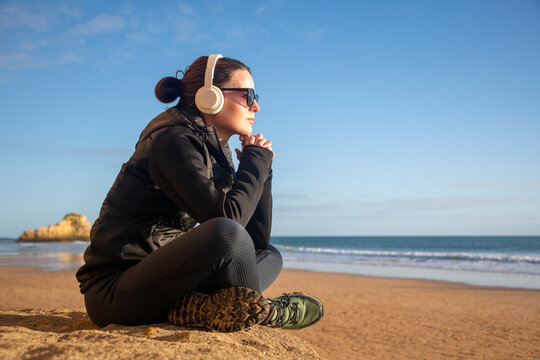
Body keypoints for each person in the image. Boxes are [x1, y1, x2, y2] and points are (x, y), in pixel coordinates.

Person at [76, 54, 324, 332]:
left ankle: (201, 306)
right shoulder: (172, 140)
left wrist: (262, 168)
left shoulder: (215, 152)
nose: (256, 106)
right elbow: (228, 223)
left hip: (167, 279)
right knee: (225, 233)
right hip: (117, 290)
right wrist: (255, 163)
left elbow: (254, 239)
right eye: (248, 95)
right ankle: (264, 312)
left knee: (269, 254)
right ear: (210, 96)